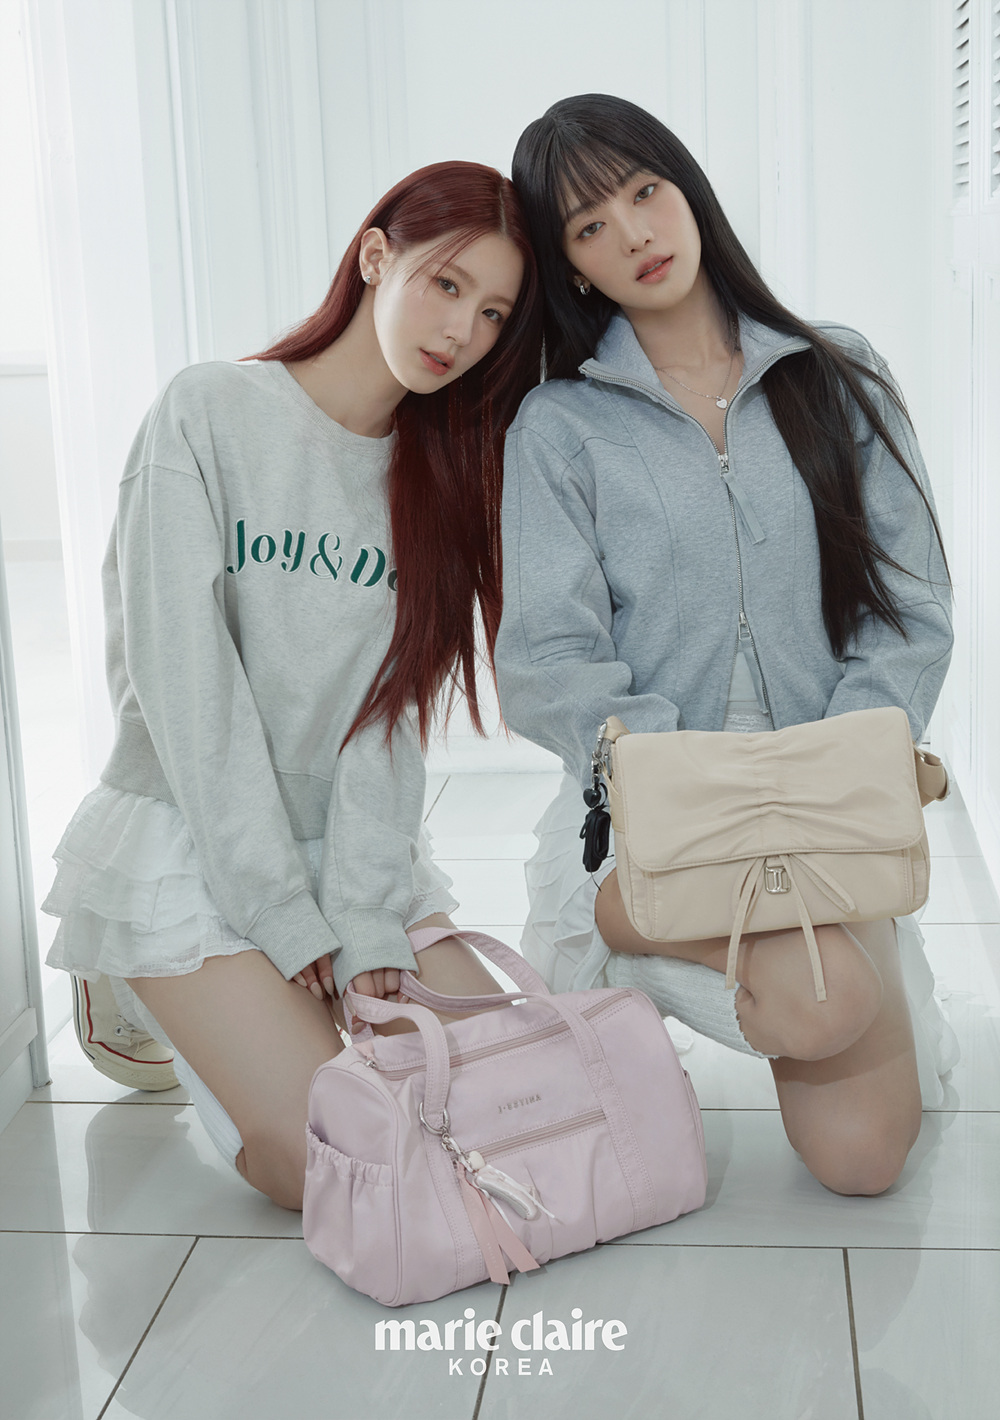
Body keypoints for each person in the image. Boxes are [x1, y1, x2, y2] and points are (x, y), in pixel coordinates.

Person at [43, 160, 543, 1210]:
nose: (463, 331)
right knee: (339, 1164)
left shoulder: (440, 483)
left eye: (495, 313)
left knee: (515, 1109)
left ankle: (241, 1011)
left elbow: (386, 719)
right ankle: (137, 985)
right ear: (376, 257)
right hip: (196, 839)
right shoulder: (209, 411)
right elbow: (188, 688)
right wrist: (278, 910)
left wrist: (359, 916)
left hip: (346, 844)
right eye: (448, 284)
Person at [494, 95, 958, 1197]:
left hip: (824, 782)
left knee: (862, 1160)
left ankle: (674, 933)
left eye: (643, 192)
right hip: (662, 793)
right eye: (589, 226)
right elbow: (550, 652)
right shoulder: (560, 427)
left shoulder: (836, 371)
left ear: (688, 189)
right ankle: (613, 915)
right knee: (825, 998)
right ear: (571, 267)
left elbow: (908, 603)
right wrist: (677, 776)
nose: (633, 233)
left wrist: (840, 763)